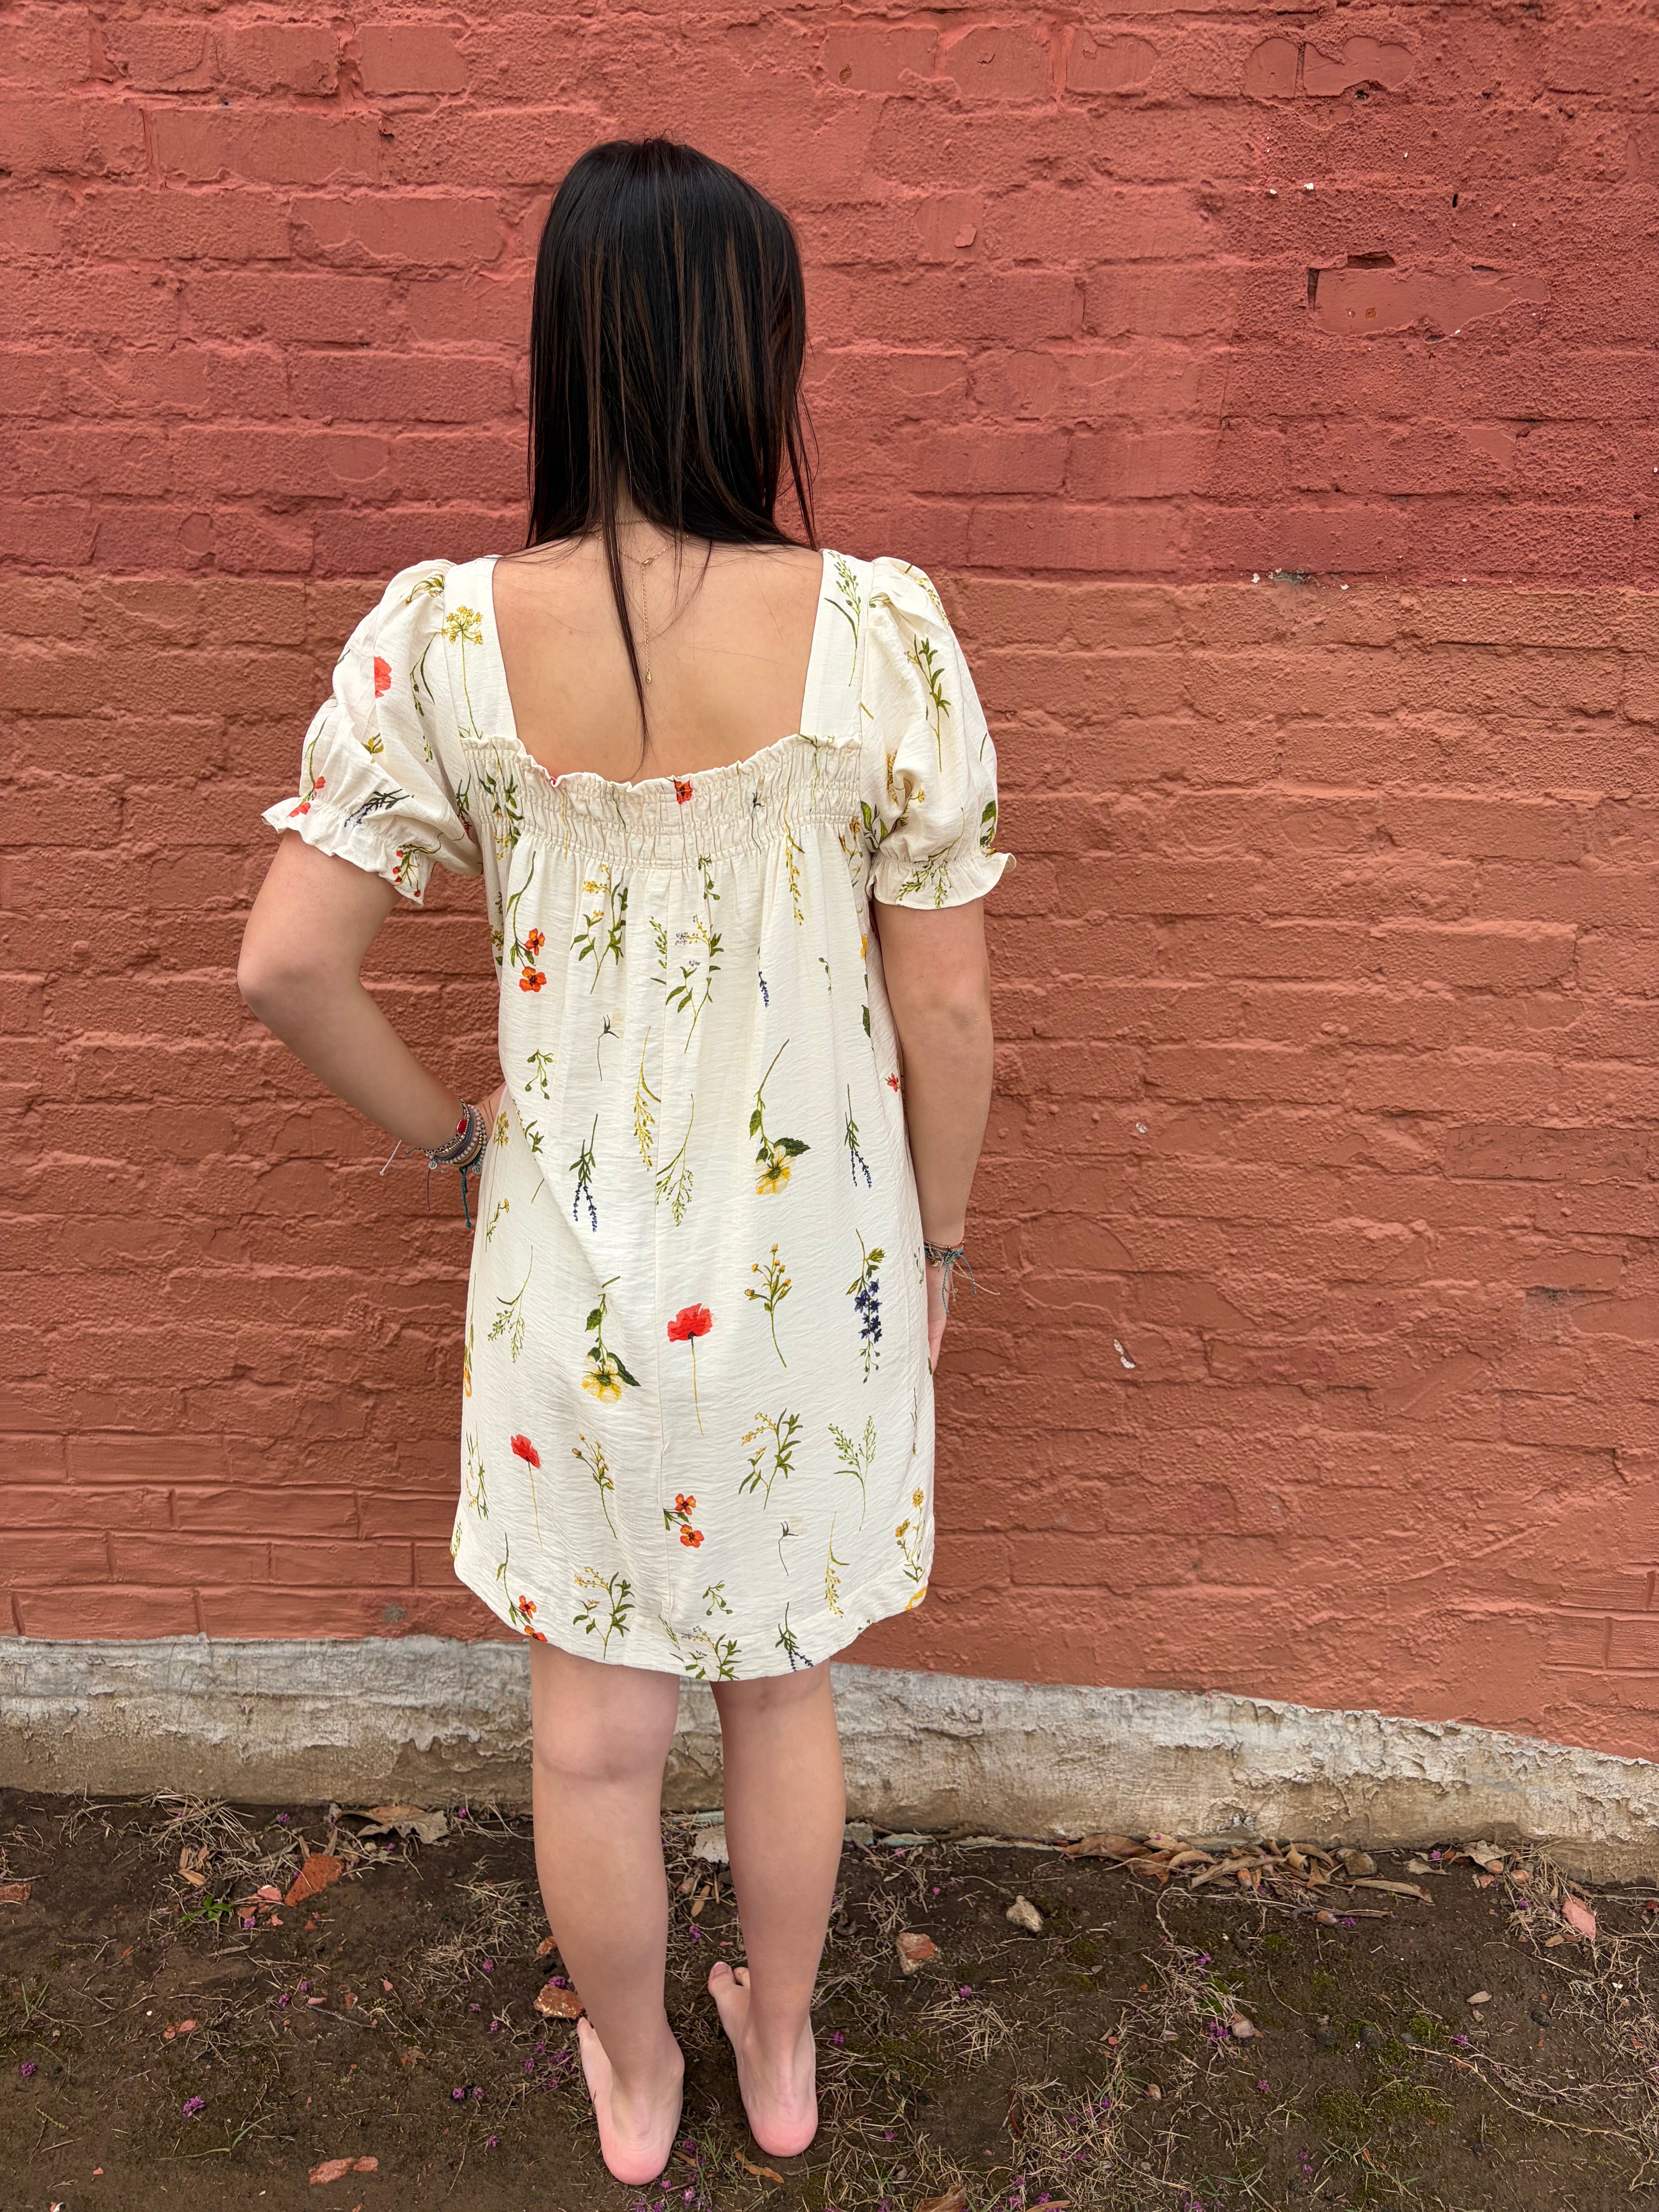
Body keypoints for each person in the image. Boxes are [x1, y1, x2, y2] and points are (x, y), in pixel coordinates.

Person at [238, 137, 1012, 2187]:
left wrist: (450, 1141)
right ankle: (781, 2064)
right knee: (779, 1687)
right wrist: (933, 1249)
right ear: (759, 350)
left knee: (594, 1731)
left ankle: (647, 2086)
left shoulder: (442, 645)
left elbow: (288, 966)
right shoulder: (882, 637)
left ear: (565, 347)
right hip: (820, 1266)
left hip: (569, 1276)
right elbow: (944, 1016)